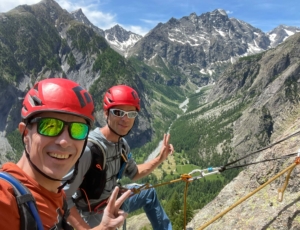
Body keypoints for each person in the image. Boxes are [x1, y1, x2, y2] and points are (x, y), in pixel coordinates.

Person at [0, 78, 130, 230]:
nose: (64, 141)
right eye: (50, 126)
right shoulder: (6, 199)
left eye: (78, 129)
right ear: (25, 133)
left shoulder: (57, 195)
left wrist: (104, 227)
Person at [64, 85, 174, 230]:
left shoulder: (122, 145)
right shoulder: (89, 150)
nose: (125, 119)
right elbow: (63, 197)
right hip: (91, 214)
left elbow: (134, 173)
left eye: (131, 114)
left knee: (149, 193)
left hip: (112, 201)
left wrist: (160, 158)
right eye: (118, 112)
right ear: (106, 113)